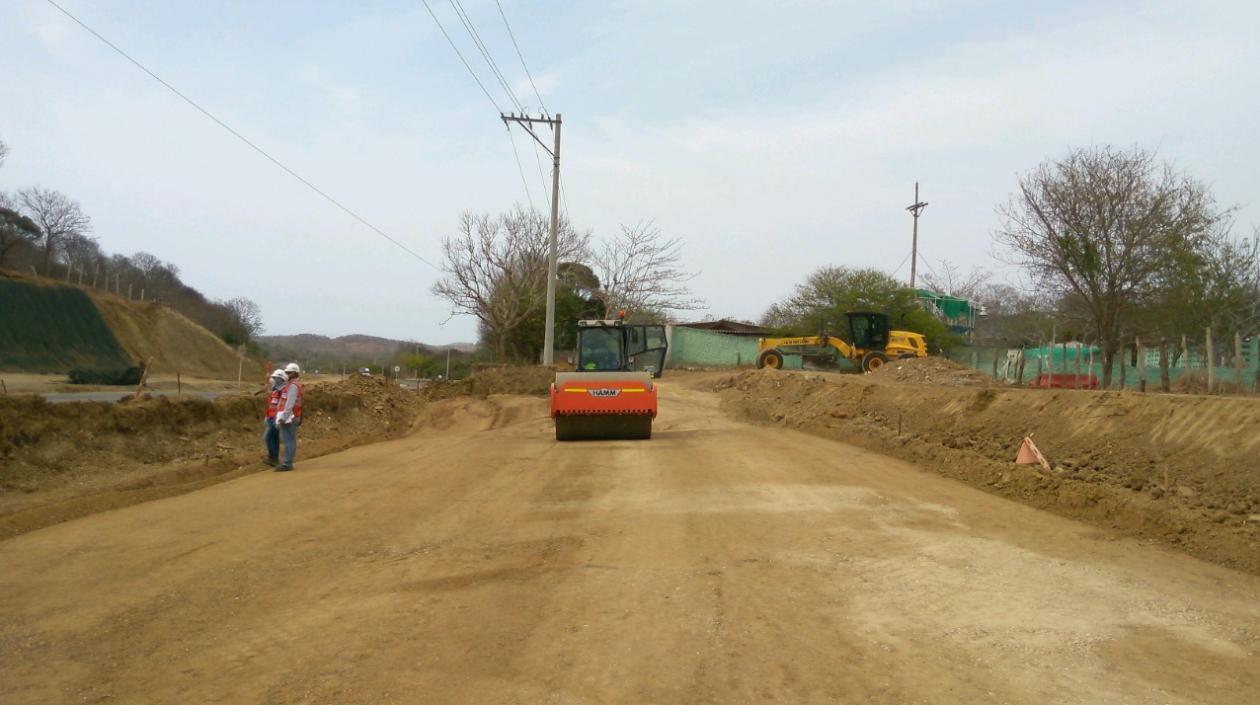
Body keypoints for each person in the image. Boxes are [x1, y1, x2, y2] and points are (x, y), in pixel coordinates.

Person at [274, 363, 304, 472]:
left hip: (290, 416)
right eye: (286, 372)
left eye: (289, 372)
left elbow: (290, 403)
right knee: (288, 439)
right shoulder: (293, 385)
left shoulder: (293, 386)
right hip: (292, 415)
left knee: (289, 440)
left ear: (296, 373)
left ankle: (287, 463)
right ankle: (287, 461)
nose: (287, 374)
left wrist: (283, 417)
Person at [263, 368, 287, 466]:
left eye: (275, 377)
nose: (274, 379)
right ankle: (274, 458)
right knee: (274, 438)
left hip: (275, 418)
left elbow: (282, 405)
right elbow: (272, 404)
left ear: (280, 379)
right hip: (271, 417)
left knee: (268, 437)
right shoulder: (276, 390)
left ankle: (273, 457)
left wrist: (278, 418)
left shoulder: (282, 390)